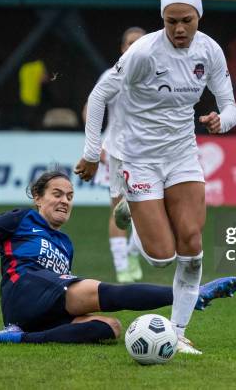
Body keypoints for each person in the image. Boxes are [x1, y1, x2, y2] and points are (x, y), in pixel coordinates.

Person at [0, 169, 236, 345]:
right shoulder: (20, 219)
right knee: (97, 290)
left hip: (45, 304)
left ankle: (17, 339)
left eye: (70, 196)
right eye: (57, 193)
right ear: (38, 198)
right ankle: (191, 294)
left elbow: (70, 293)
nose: (64, 200)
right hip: (23, 290)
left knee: (110, 327)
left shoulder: (65, 244)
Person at [75, 0, 236, 354]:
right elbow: (100, 95)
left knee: (193, 244)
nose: (179, 29)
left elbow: (231, 106)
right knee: (162, 258)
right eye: (171, 21)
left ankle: (178, 332)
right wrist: (90, 154)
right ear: (162, 19)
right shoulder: (144, 53)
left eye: (186, 20)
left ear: (199, 17)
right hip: (140, 158)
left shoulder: (209, 50)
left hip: (182, 154)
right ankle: (134, 208)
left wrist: (222, 121)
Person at [81, 26, 146, 284]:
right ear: (122, 48)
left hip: (146, 153)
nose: (134, 47)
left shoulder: (156, 74)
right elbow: (91, 107)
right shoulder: (111, 75)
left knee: (144, 211)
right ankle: (121, 266)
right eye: (130, 42)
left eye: (140, 43)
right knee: (119, 211)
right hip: (115, 151)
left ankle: (132, 254)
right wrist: (96, 145)